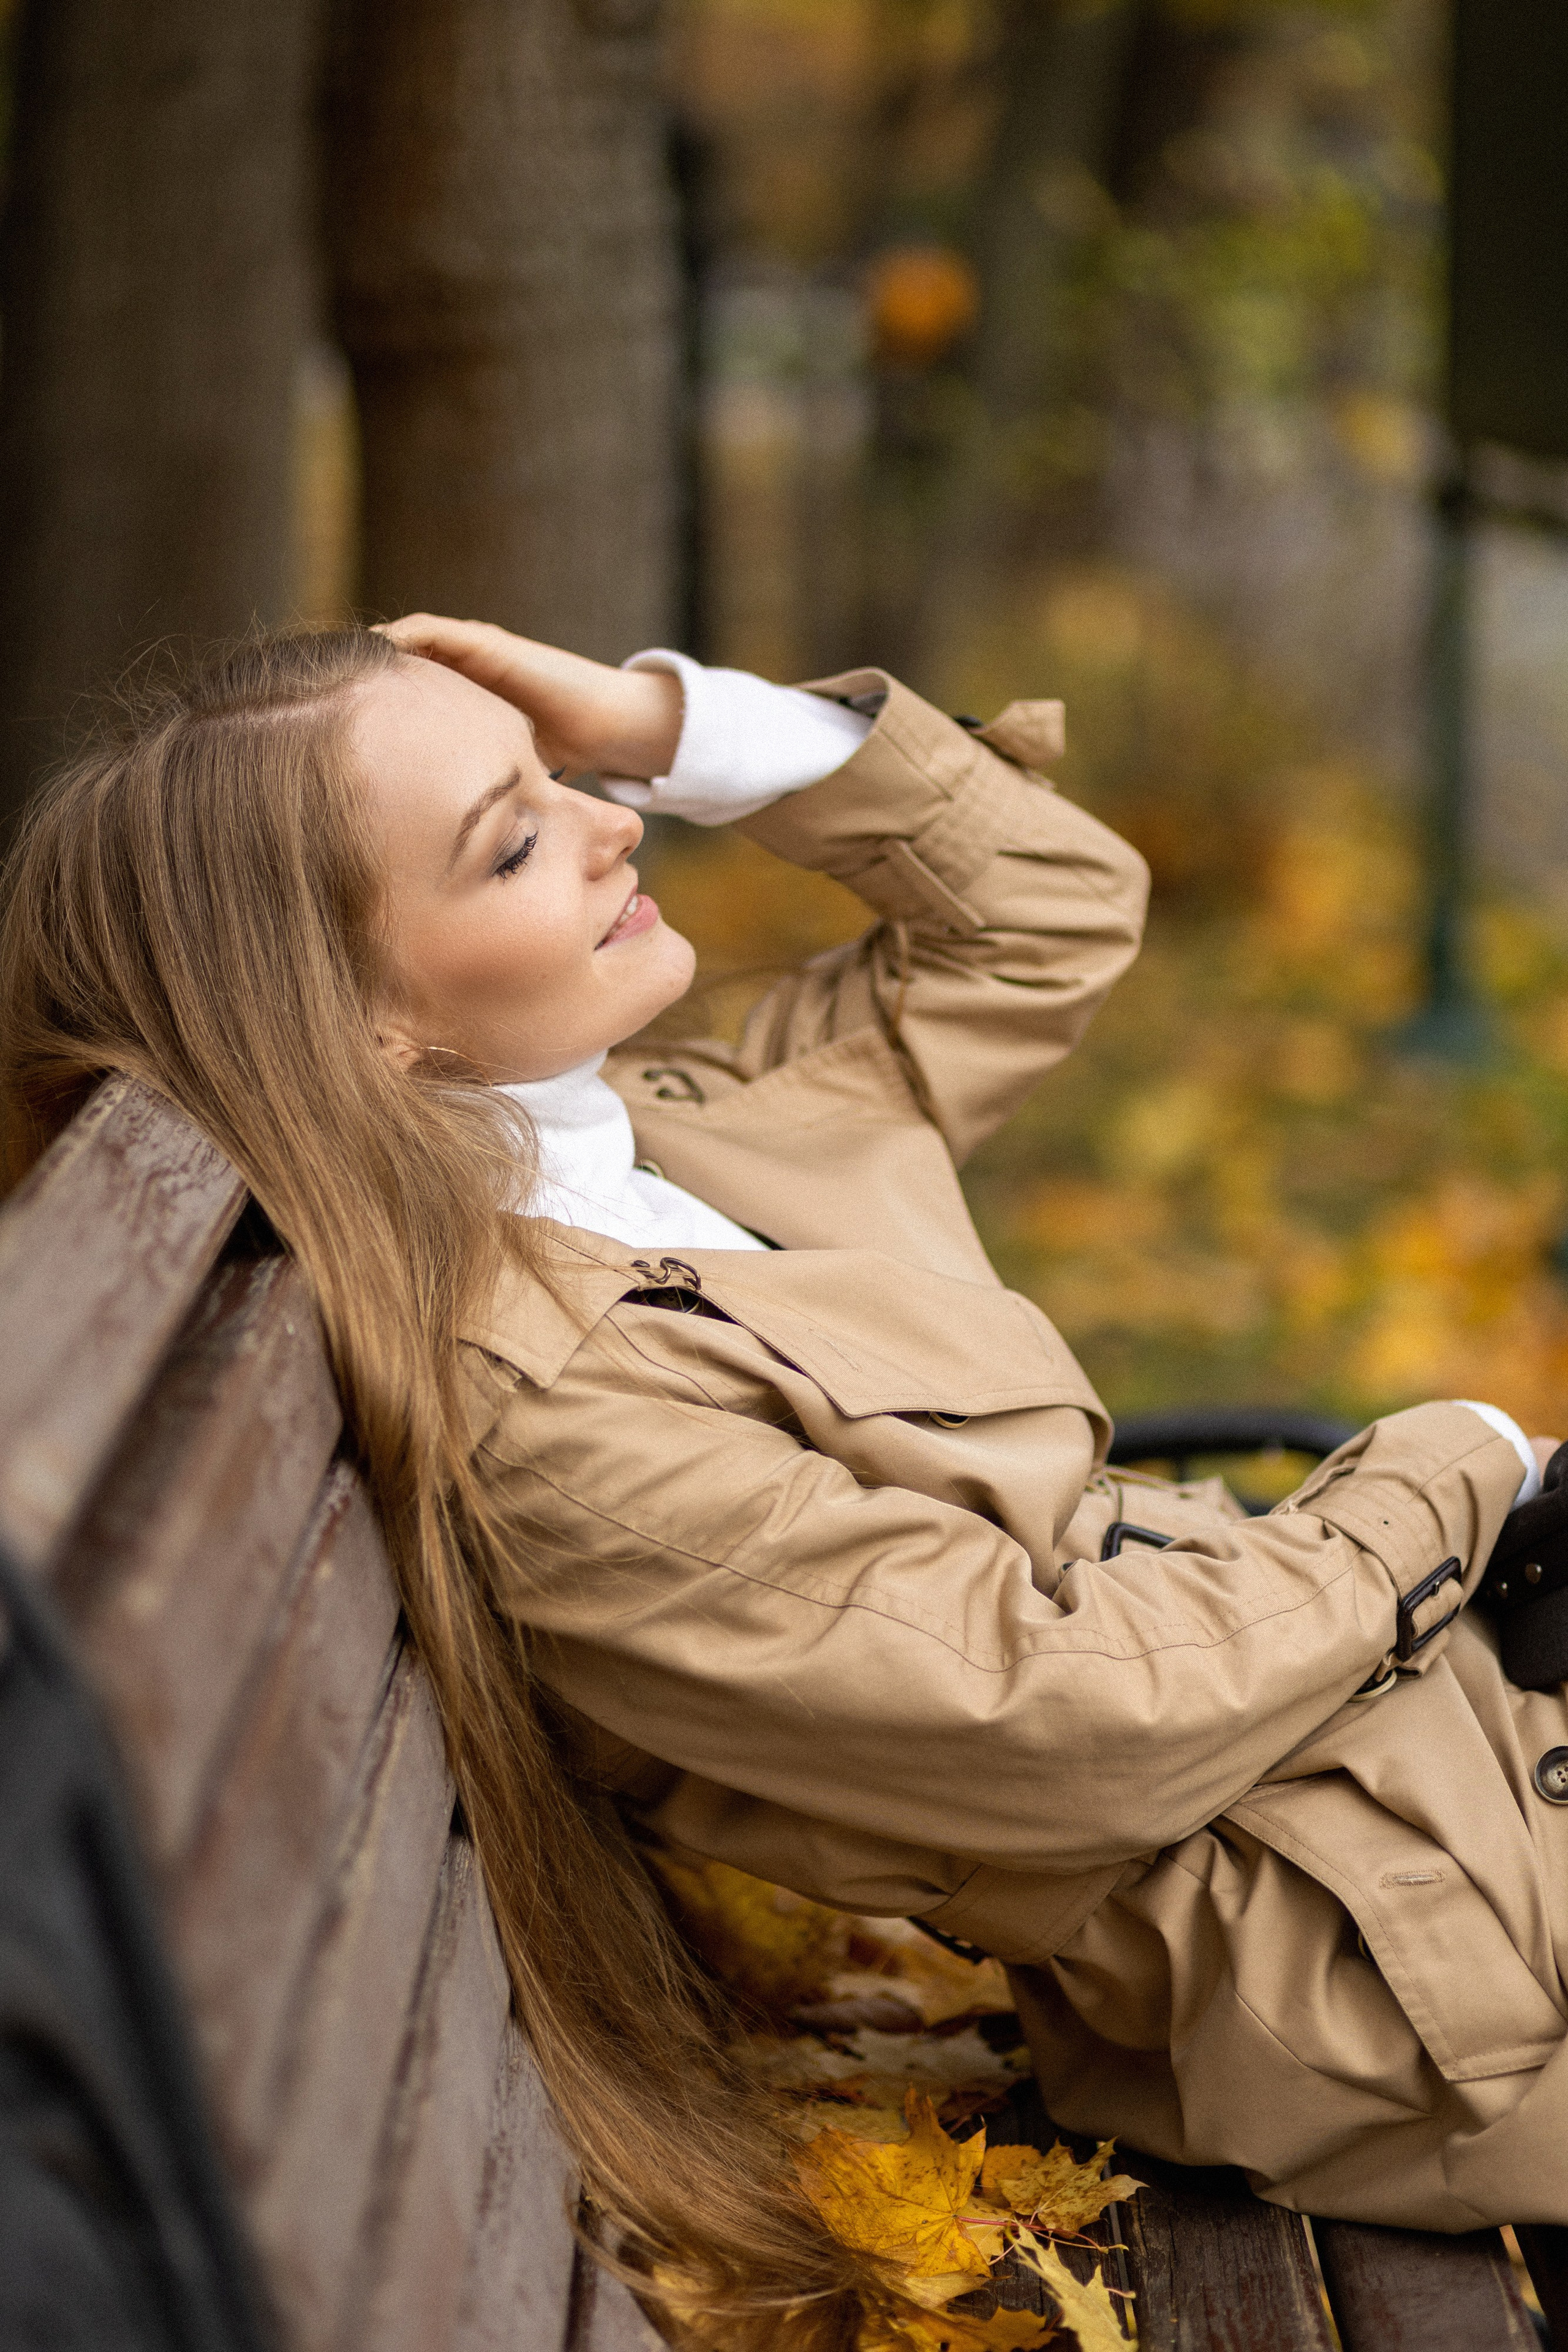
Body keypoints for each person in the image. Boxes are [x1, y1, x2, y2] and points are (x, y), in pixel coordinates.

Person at [2, 621, 1564, 2345]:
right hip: (1409, 1945)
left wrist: (663, 720)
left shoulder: (667, 1127)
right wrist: (1456, 1468)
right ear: (360, 1024)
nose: (614, 826)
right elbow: (1068, 1718)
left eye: (567, 783)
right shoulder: (557, 1418)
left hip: (1434, 1743)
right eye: (513, 843)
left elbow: (1048, 909)